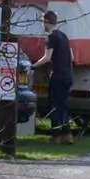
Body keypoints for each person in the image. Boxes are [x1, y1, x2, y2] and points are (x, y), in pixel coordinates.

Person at [36, 10, 74, 144]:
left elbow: (47, 57)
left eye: (42, 22)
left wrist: (32, 66)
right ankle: (67, 134)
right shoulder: (64, 36)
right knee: (63, 105)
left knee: (54, 106)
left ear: (46, 21)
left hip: (57, 76)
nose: (42, 25)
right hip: (68, 75)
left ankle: (56, 135)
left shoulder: (51, 37)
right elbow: (72, 57)